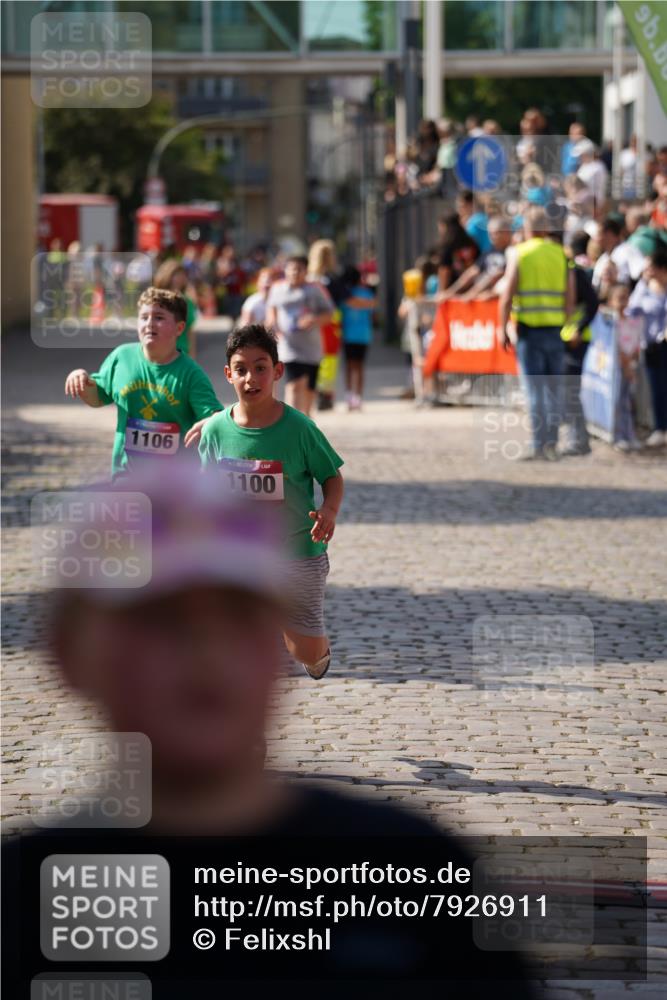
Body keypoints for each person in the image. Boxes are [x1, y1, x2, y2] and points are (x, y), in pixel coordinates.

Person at [2, 462, 535, 999]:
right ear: (66, 653)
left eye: (240, 616)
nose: (207, 656)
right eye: (161, 620)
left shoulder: (413, 873)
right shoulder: (19, 909)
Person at [193, 324, 344, 680]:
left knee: (303, 651)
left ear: (277, 371)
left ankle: (310, 645)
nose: (251, 378)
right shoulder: (214, 430)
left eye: (261, 367)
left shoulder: (299, 429)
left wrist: (329, 511)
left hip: (298, 553)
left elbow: (332, 476)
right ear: (228, 374)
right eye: (241, 369)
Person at [64, 287, 222, 478]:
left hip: (176, 485)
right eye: (144, 317)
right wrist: (80, 378)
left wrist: (212, 423)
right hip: (126, 478)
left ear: (179, 328)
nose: (149, 324)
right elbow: (97, 397)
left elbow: (216, 420)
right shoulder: (121, 357)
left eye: (159, 318)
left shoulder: (191, 374)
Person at [499, 207, 576, 460]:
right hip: (555, 331)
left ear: (527, 229)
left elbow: (507, 294)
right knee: (554, 388)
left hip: (529, 332)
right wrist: (564, 321)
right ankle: (552, 444)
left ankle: (538, 444)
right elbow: (570, 294)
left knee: (534, 390)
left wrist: (502, 328)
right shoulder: (561, 254)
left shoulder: (520, 253)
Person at [265, 255, 333, 417]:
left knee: (309, 389)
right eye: (291, 269)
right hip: (288, 346)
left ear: (306, 271)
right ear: (285, 270)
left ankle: (307, 420)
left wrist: (314, 319)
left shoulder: (315, 290)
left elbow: (329, 314)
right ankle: (292, 422)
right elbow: (271, 313)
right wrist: (271, 328)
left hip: (312, 348)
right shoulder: (277, 289)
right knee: (293, 385)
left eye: (299, 269)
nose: (295, 272)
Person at [559, 258, 600, 457]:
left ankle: (578, 439)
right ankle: (578, 438)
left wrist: (578, 328)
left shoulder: (573, 272)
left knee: (570, 389)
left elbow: (593, 302)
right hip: (561, 338)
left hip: (576, 339)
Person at [627, 248, 667, 446]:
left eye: (650, 266)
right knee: (658, 388)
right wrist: (642, 284)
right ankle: (660, 427)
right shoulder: (644, 288)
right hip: (652, 346)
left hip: (665, 343)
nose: (647, 270)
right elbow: (631, 309)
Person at [307, 239, 346, 411]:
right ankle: (326, 393)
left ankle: (313, 392)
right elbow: (344, 298)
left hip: (312, 320)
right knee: (329, 358)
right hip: (331, 320)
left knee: (313, 355)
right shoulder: (333, 278)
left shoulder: (308, 279)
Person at [606, 282, 642, 452]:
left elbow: (635, 345)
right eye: (619, 298)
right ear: (611, 301)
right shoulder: (609, 323)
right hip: (616, 369)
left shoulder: (630, 321)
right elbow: (615, 348)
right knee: (618, 402)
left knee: (628, 402)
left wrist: (632, 362)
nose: (623, 302)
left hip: (628, 368)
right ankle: (619, 435)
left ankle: (629, 434)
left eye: (625, 298)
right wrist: (626, 364)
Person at [340, 265, 376, 410]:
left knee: (349, 366)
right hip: (363, 334)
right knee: (360, 366)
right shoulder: (367, 293)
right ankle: (359, 397)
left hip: (347, 334)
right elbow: (373, 314)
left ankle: (349, 396)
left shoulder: (345, 295)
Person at [154, 258, 199, 357]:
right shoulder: (156, 300)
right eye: (176, 275)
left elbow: (190, 332)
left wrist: (192, 357)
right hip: (161, 353)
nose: (180, 278)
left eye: (182, 275)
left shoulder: (187, 302)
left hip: (182, 354)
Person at [437, 213, 480, 291]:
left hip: (453, 288)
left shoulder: (447, 244)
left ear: (445, 226)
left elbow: (445, 269)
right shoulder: (471, 241)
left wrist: (442, 291)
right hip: (472, 287)